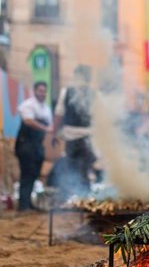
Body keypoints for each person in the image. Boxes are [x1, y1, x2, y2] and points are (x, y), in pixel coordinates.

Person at [53, 65, 97, 198]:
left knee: (77, 168)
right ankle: (80, 197)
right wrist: (55, 133)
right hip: (78, 136)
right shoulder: (68, 92)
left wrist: (55, 133)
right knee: (79, 168)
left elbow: (58, 114)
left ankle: (80, 197)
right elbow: (59, 114)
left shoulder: (70, 92)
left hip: (82, 136)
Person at [15, 81, 52, 211]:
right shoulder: (28, 105)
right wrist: (45, 128)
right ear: (35, 91)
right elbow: (28, 121)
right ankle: (23, 204)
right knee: (26, 173)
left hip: (37, 145)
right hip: (26, 144)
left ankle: (28, 202)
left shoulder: (46, 108)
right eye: (40, 91)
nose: (42, 93)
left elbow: (50, 126)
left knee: (34, 173)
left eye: (44, 91)